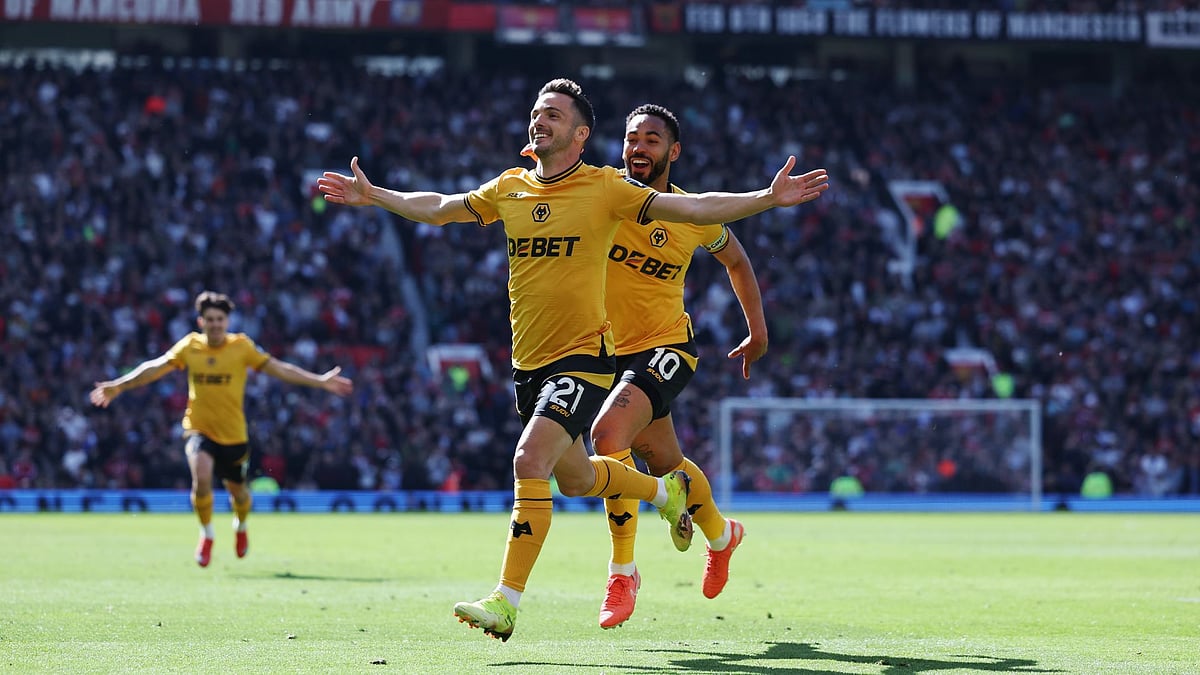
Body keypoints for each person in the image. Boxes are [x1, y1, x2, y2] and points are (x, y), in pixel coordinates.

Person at [317, 78, 828, 641]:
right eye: (536, 113)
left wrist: (765, 199)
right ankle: (682, 505)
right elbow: (440, 208)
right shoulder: (513, 188)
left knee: (546, 456)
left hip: (607, 356)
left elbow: (699, 210)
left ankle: (546, 592)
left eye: (554, 115)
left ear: (583, 135)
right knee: (589, 476)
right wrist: (377, 195)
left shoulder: (607, 190)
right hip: (537, 363)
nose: (540, 120)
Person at [589, 104, 765, 629]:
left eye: (651, 139)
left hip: (668, 347)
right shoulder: (601, 195)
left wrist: (757, 330)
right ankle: (721, 534)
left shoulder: (692, 215)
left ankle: (623, 572)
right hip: (607, 355)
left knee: (608, 435)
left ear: (673, 151)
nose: (639, 147)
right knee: (664, 462)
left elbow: (736, 259)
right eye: (631, 138)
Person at [89, 291, 353, 567]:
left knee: (238, 493)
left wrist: (320, 381)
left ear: (227, 321)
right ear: (201, 321)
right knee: (201, 479)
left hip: (233, 434)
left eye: (220, 319)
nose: (215, 323)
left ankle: (240, 526)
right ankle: (207, 535)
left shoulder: (241, 347)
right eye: (210, 319)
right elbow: (155, 367)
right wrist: (119, 384)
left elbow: (279, 368)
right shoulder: (190, 346)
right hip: (199, 428)